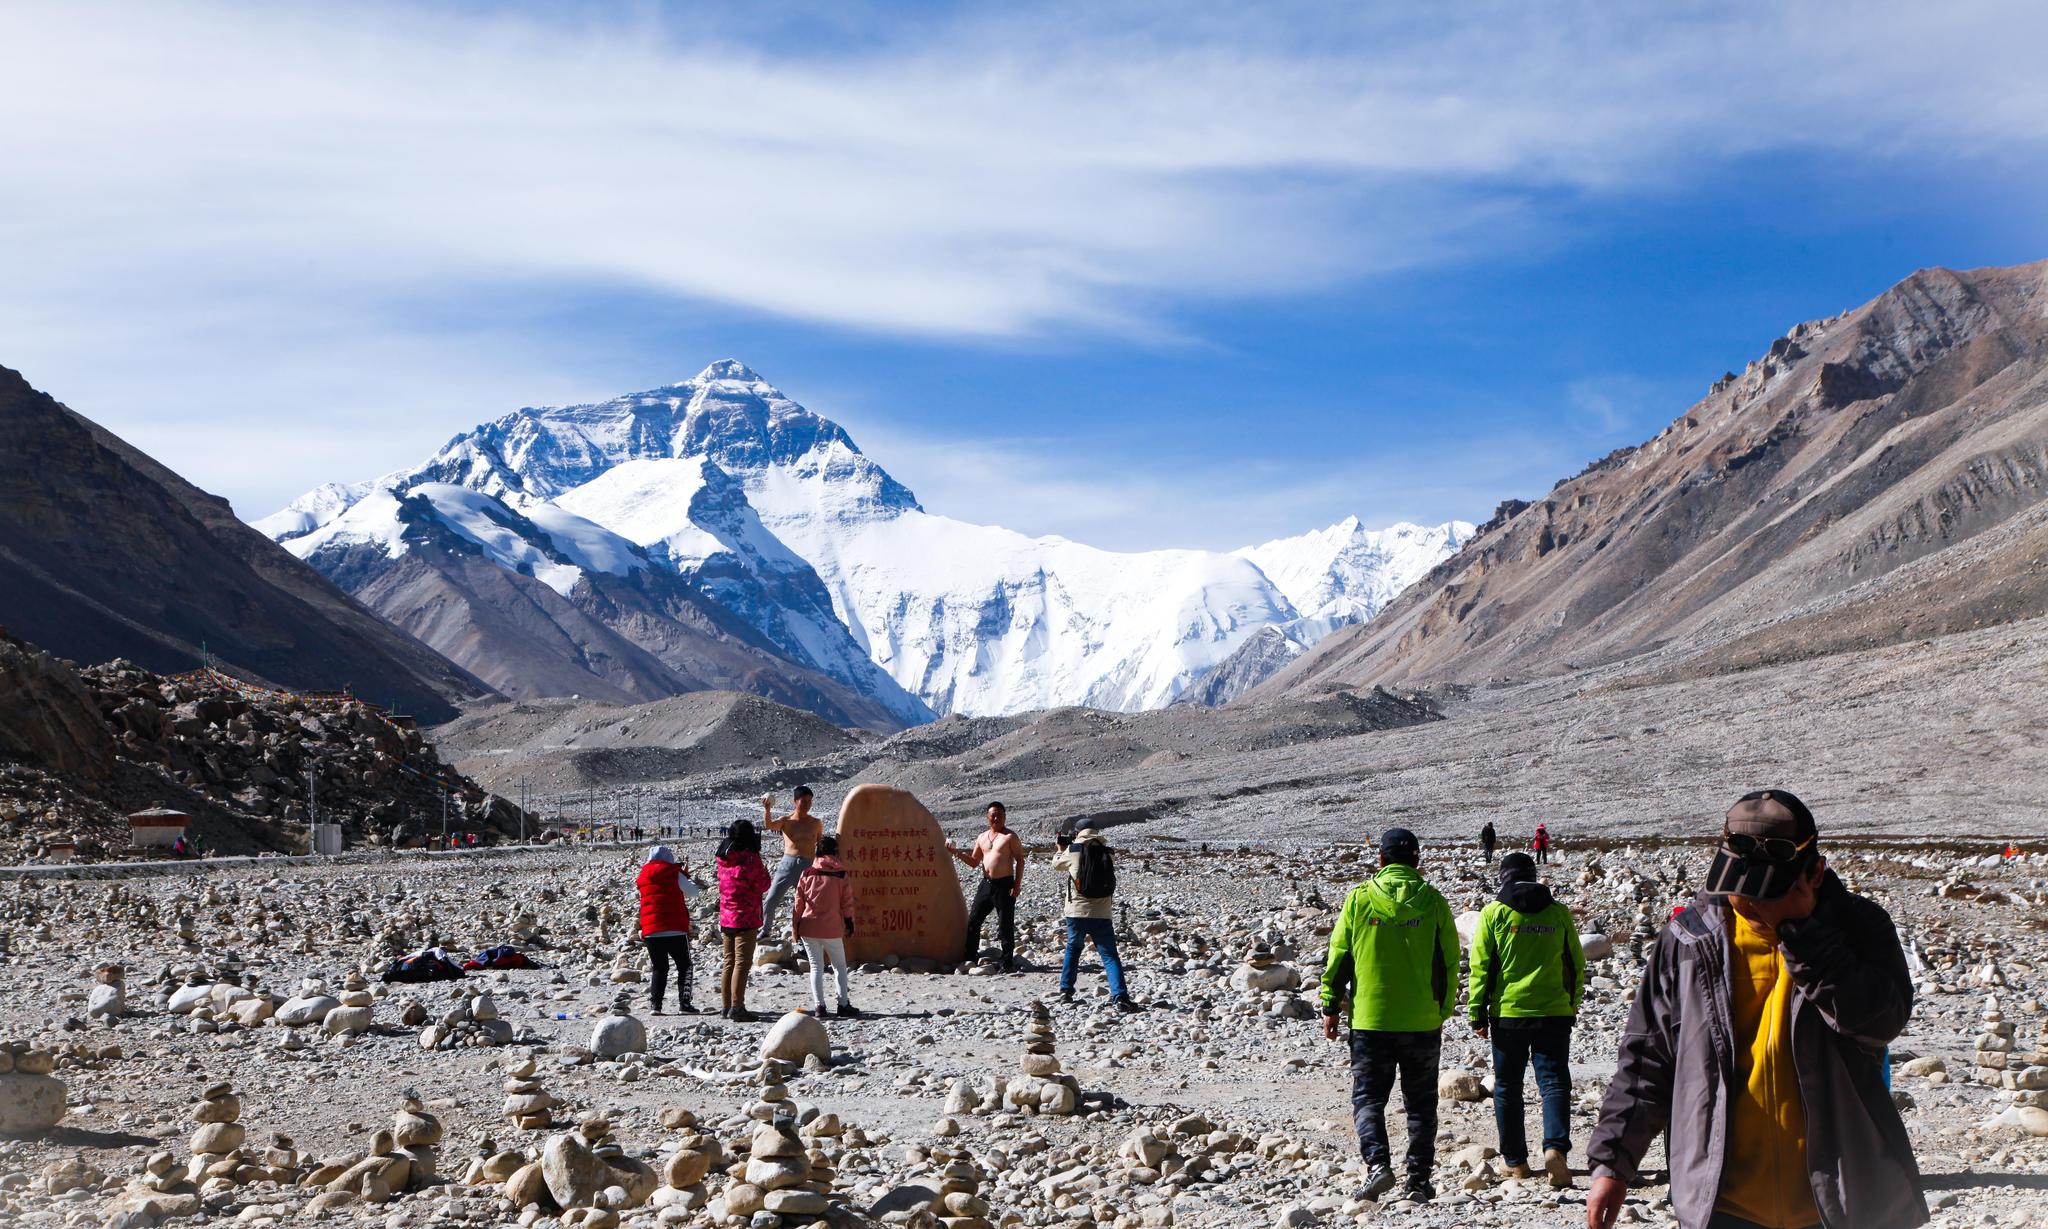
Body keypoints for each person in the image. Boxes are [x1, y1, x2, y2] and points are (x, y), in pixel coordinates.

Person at [1586, 790, 1924, 1229]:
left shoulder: (1859, 929)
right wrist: (1612, 1164)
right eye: (1740, 889)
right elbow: (1647, 1057)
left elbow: (1879, 1022)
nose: (1752, 904)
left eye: (1769, 892)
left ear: (1815, 874)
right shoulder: (1689, 939)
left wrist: (1806, 939)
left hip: (1837, 1203)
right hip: (1722, 1201)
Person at [1319, 827, 1459, 1204]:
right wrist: (1440, 1010)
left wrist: (1330, 1005)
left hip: (1370, 1021)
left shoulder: (1359, 899)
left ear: (1380, 859)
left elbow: (1339, 956)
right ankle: (1419, 1181)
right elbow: (1449, 963)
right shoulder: (1432, 902)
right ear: (1417, 861)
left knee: (1368, 1099)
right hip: (1422, 1021)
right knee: (1421, 1103)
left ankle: (1378, 1165)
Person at [1469, 851, 1584, 1188]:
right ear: (1533, 876)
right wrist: (1572, 1002)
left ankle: (1516, 1162)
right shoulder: (1559, 912)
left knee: (1507, 1087)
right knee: (1554, 1083)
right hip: (1554, 1012)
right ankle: (1555, 1148)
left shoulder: (1493, 913)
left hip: (1509, 1015)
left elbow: (1481, 967)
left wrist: (1477, 1010)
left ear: (1503, 877)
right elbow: (1576, 963)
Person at [1051, 827, 1141, 1012]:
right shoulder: (1108, 852)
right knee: (1110, 956)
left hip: (1077, 912)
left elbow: (1057, 865)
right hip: (1102, 913)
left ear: (1078, 833)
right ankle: (1120, 996)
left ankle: (1066, 992)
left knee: (1073, 950)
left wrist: (1061, 848)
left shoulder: (1073, 850)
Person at [791, 835, 861, 1018]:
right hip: (831, 927)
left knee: (816, 967)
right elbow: (847, 904)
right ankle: (843, 1004)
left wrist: (795, 928)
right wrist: (849, 924)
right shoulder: (841, 874)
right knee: (839, 966)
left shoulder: (807, 873)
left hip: (808, 926)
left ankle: (819, 1006)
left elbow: (798, 904)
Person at [952, 802, 1026, 970]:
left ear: (1004, 817)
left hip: (1004, 884)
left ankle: (1007, 961)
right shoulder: (982, 837)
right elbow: (974, 862)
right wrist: (956, 852)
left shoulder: (1010, 837)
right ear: (987, 817)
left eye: (999, 815)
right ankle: (970, 955)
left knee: (1005, 925)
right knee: (974, 920)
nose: (996, 818)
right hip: (986, 884)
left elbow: (1020, 860)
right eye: (993, 815)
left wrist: (1017, 885)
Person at [715, 819, 773, 1022]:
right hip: (745, 916)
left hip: (726, 916)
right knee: (742, 962)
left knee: (729, 962)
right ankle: (738, 1007)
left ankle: (726, 1006)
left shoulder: (724, 859)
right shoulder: (750, 859)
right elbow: (764, 884)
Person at [636, 845, 700, 1014]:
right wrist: (686, 875)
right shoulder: (674, 873)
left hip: (651, 929)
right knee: (685, 965)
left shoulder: (642, 876)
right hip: (674, 928)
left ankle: (655, 1005)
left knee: (659, 967)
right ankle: (684, 1004)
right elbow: (693, 892)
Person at [760, 787, 823, 934]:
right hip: (788, 863)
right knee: (771, 899)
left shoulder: (816, 823)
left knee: (806, 903)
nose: (807, 804)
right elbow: (769, 825)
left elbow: (821, 844)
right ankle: (765, 930)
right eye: (804, 800)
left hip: (808, 865)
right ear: (795, 801)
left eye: (810, 801)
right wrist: (767, 809)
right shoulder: (786, 821)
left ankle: (803, 935)